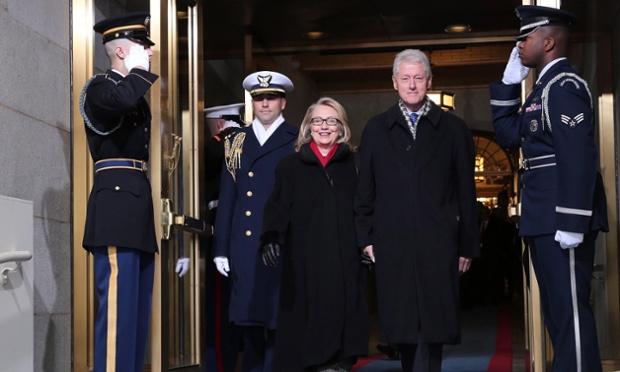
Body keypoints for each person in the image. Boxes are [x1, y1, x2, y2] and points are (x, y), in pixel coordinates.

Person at [489, 5, 608, 371]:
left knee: (570, 311)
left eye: (526, 38)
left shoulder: (565, 87)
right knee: (558, 313)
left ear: (549, 41)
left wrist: (573, 220)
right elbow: (509, 134)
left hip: (562, 218)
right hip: (543, 217)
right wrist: (509, 83)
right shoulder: (542, 88)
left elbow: (578, 158)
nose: (519, 45)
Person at [354, 49, 479, 372]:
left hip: (438, 242)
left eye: (418, 78)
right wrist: (366, 238)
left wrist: (467, 244)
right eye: (405, 78)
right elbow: (365, 190)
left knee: (434, 324)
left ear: (430, 81)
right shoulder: (376, 129)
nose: (412, 85)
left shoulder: (453, 129)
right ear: (394, 82)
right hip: (391, 243)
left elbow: (466, 191)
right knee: (403, 324)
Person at [259, 97, 369, 371]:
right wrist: (270, 237)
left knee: (342, 321)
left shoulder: (355, 165)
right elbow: (277, 209)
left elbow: (365, 208)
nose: (324, 126)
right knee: (305, 329)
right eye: (317, 120)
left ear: (342, 128)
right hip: (304, 262)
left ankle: (338, 362)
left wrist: (367, 243)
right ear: (308, 127)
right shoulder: (290, 166)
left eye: (332, 121)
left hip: (345, 260)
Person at [80, 12, 158, 372]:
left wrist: (138, 75)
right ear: (123, 52)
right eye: (143, 46)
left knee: (135, 317)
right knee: (116, 317)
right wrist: (139, 73)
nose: (150, 53)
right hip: (115, 211)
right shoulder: (98, 89)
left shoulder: (131, 94)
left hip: (137, 210)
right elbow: (119, 102)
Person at [212, 71, 299, 371]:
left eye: (271, 98)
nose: (264, 104)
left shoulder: (297, 138)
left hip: (282, 243)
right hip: (246, 243)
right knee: (249, 320)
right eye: (259, 98)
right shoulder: (236, 142)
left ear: (283, 102)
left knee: (278, 318)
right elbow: (228, 199)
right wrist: (221, 248)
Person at [175, 103, 246, 371]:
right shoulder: (254, 138)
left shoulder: (222, 143)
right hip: (251, 230)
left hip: (222, 225)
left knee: (220, 304)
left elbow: (199, 160)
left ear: (218, 125)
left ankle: (220, 365)